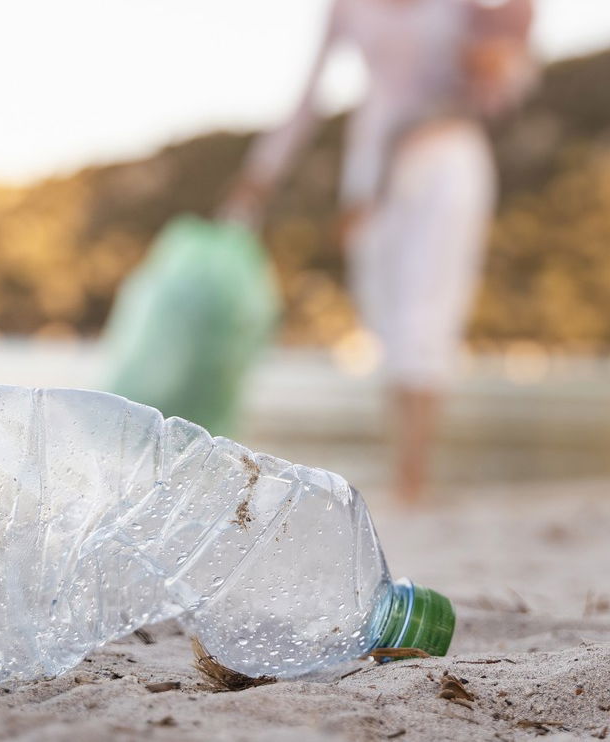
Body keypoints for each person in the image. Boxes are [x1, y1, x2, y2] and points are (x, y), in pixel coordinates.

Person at [223, 0, 534, 506]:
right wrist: (262, 172)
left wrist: (501, 62)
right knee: (386, 317)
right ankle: (404, 474)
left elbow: (505, 85)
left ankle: (413, 478)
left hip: (446, 153)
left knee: (429, 311)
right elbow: (309, 97)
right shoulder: (346, 8)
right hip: (371, 167)